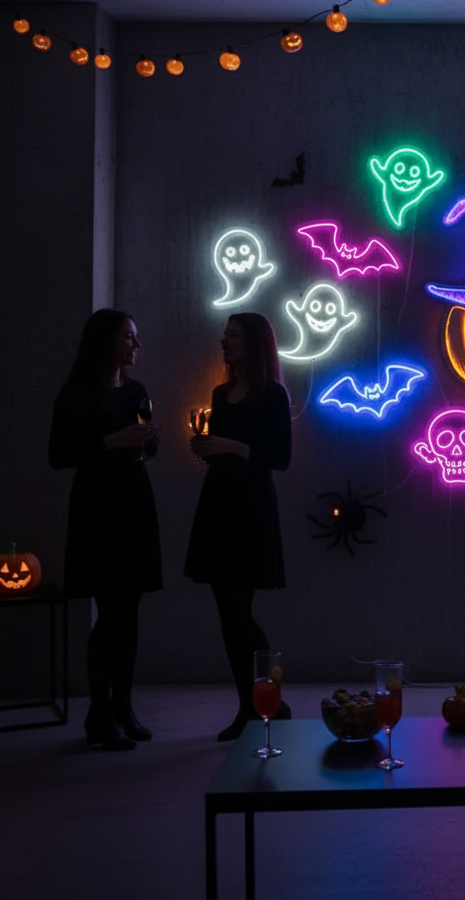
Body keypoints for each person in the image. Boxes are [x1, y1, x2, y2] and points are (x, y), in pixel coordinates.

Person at [49, 309, 162, 750]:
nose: (136, 345)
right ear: (106, 341)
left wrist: (148, 442)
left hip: (133, 501)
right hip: (98, 509)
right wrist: (110, 442)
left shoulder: (136, 391)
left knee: (129, 612)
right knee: (111, 611)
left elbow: (145, 447)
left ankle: (122, 708)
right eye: (128, 337)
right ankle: (100, 712)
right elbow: (58, 455)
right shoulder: (77, 394)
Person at [185, 312, 292, 741]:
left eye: (232, 335)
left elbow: (279, 457)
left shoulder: (273, 395)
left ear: (254, 343)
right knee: (229, 614)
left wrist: (229, 445)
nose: (224, 341)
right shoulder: (220, 392)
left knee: (239, 614)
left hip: (250, 507)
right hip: (219, 504)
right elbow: (226, 453)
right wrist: (208, 449)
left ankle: (264, 703)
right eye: (225, 334)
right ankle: (253, 705)